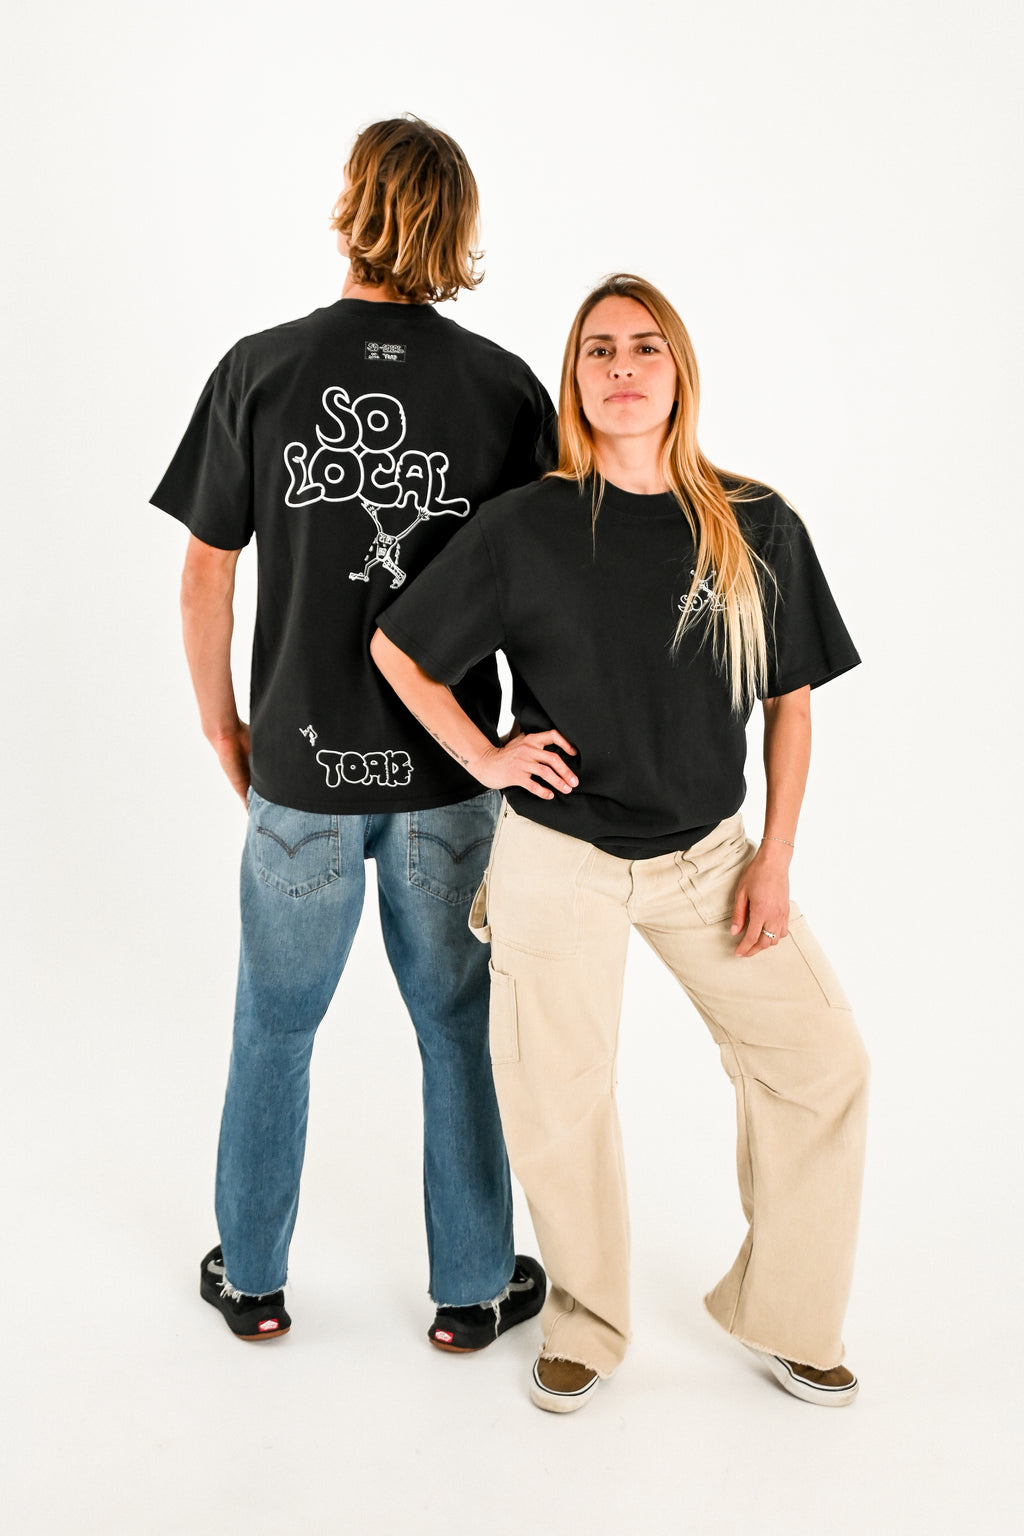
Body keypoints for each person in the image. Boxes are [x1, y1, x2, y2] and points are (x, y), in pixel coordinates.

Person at [371, 273, 869, 1413]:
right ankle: (586, 1325)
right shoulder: (525, 524)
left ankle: (788, 1316)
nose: (624, 368)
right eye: (600, 351)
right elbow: (405, 653)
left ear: (678, 372)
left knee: (821, 1065)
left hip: (710, 860)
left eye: (646, 348)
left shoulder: (755, 524)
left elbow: (792, 701)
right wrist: (487, 757)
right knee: (557, 1093)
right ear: (577, 379)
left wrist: (777, 857)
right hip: (558, 857)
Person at [151, 116, 554, 1346]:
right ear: (458, 228)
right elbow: (539, 596)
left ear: (352, 205)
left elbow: (206, 578)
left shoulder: (260, 369)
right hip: (450, 777)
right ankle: (472, 1291)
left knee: (273, 1025)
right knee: (457, 1033)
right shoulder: (502, 389)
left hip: (300, 770)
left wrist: (228, 727)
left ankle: (256, 1282)